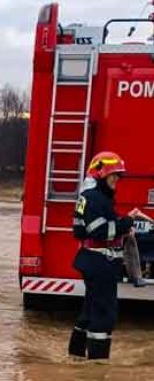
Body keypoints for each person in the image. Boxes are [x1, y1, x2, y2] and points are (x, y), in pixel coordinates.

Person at [69, 152, 145, 360]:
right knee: (104, 315)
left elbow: (80, 231)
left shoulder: (89, 196)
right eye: (113, 176)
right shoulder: (95, 198)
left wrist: (121, 223)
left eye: (118, 176)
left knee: (90, 310)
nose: (117, 180)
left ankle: (75, 357)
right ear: (101, 173)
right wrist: (125, 224)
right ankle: (97, 368)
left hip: (92, 259)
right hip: (100, 262)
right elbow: (100, 231)